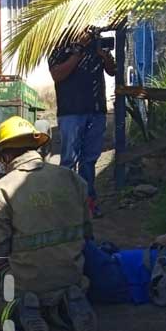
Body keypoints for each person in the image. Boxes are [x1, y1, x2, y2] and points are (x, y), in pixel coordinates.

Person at [0, 116, 98, 331]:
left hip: (26, 282)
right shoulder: (72, 178)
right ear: (36, 146)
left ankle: (19, 313)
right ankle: (65, 303)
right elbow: (88, 233)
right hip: (72, 274)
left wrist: (10, 277)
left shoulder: (1, 190)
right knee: (62, 285)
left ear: (5, 155)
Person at [49, 30, 116, 218]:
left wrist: (105, 55)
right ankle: (66, 205)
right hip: (71, 113)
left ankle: (88, 203)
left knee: (89, 161)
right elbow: (57, 74)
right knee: (69, 160)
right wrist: (77, 52)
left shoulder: (96, 45)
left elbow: (112, 70)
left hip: (96, 111)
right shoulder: (61, 47)